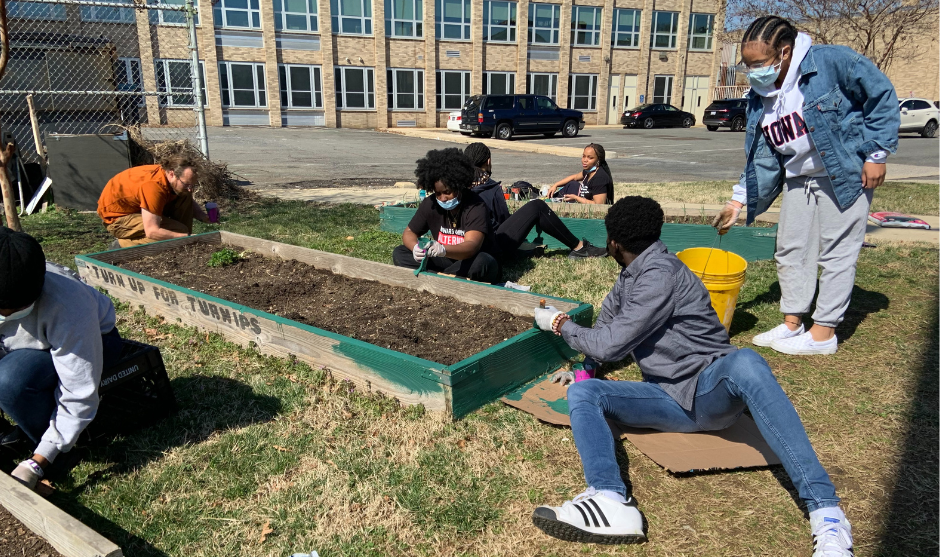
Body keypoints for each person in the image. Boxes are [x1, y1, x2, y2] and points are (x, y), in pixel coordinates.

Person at [530, 196, 854, 557]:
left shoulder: (661, 276)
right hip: (668, 398)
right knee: (585, 393)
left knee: (746, 362)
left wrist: (559, 323)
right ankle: (608, 498)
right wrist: (584, 370)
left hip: (709, 392)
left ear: (614, 243)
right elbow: (605, 331)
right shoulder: (629, 278)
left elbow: (609, 345)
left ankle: (827, 513)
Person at [711, 16, 899, 356]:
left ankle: (823, 333)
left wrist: (876, 153)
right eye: (748, 65)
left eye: (759, 63)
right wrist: (737, 202)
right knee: (791, 248)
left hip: (844, 174)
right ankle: (792, 322)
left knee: (837, 251)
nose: (753, 72)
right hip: (799, 177)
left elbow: (881, 94)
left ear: (784, 52)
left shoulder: (832, 62)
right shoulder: (760, 95)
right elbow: (761, 156)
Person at [0, 228, 123, 490]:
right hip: (18, 342)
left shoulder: (68, 306)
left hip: (97, 341)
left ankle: (60, 452)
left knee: (10, 381)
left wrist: (38, 462)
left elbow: (79, 393)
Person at [463, 143, 607, 260]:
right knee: (537, 206)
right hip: (493, 250)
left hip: (467, 247)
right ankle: (579, 247)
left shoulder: (459, 185)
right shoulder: (491, 187)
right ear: (488, 161)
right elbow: (503, 221)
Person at [391, 148, 500, 283]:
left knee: (482, 262)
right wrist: (415, 248)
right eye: (438, 193)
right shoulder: (430, 203)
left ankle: (435, 276)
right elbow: (409, 232)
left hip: (469, 259)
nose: (442, 198)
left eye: (447, 192)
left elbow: (472, 246)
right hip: (445, 260)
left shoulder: (475, 205)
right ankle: (448, 277)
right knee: (400, 252)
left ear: (459, 186)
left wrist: (443, 249)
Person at [97, 154, 210, 248]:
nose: (190, 189)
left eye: (192, 185)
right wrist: (186, 236)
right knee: (178, 232)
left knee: (184, 195)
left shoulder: (169, 177)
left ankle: (182, 242)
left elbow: (187, 198)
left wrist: (203, 216)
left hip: (137, 207)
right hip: (116, 219)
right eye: (186, 184)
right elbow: (152, 231)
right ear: (172, 174)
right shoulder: (153, 187)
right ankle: (122, 244)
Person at [546, 144, 614, 204]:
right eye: (584, 156)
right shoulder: (589, 171)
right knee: (572, 184)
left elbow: (599, 205)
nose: (585, 160)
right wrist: (555, 185)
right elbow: (575, 177)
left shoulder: (600, 178)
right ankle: (550, 198)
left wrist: (576, 198)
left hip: (590, 210)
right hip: (581, 200)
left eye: (590, 158)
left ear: (598, 160)